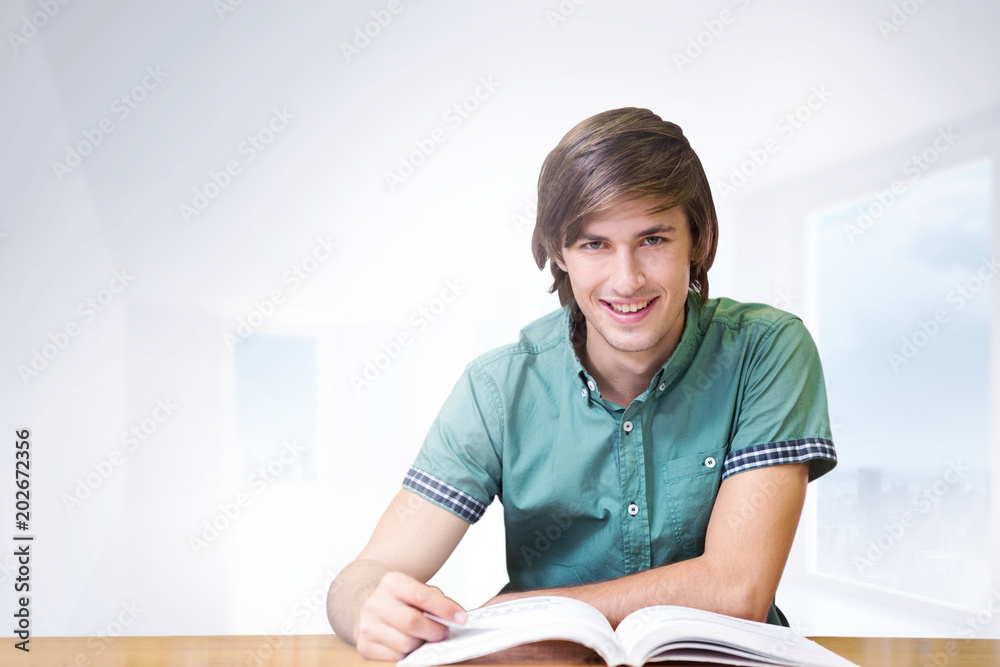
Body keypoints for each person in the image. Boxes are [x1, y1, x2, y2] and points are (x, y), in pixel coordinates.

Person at [326, 107, 837, 661]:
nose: (627, 279)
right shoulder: (497, 388)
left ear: (698, 238)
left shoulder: (767, 350)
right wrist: (369, 610)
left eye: (653, 239)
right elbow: (363, 577)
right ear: (559, 252)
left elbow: (736, 589)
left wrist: (514, 613)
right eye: (595, 244)